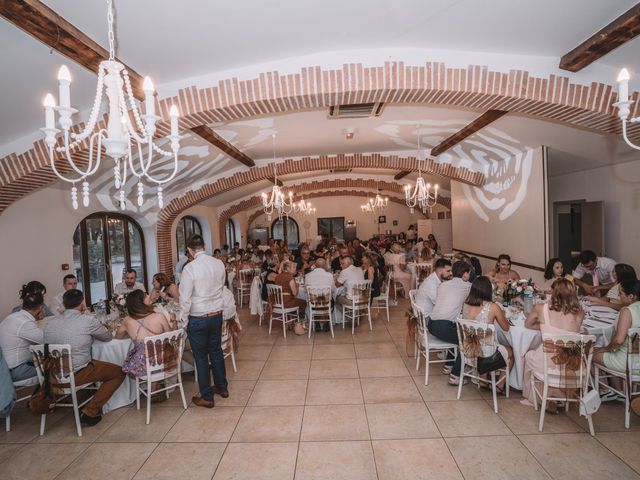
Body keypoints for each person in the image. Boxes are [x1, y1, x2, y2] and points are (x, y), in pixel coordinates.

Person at [44, 289, 125, 426]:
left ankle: (82, 396)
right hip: (75, 374)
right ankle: (90, 411)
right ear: (82, 303)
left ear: (64, 303)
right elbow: (106, 337)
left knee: (86, 362)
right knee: (119, 372)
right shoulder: (87, 320)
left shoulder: (51, 323)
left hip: (51, 375)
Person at [179, 234, 228, 408]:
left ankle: (207, 396)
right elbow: (221, 286)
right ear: (204, 246)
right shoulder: (218, 263)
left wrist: (182, 323)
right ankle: (222, 387)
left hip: (198, 317)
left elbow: (185, 299)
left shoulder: (189, 269)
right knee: (216, 351)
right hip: (216, 314)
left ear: (190, 250)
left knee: (200, 357)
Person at [521, 278, 584, 412]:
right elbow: (574, 331)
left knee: (529, 356)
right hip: (571, 363)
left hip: (548, 362)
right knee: (544, 361)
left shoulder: (541, 308)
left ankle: (538, 398)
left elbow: (528, 324)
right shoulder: (579, 311)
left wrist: (545, 326)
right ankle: (557, 395)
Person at [115, 290, 172, 397]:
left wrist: (132, 334)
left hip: (141, 365)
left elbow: (118, 336)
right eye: (146, 296)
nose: (149, 297)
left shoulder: (127, 320)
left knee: (144, 355)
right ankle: (155, 386)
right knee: (163, 350)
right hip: (164, 361)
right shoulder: (159, 316)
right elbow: (170, 337)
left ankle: (153, 386)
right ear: (140, 302)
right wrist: (174, 322)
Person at [462, 276, 514, 393]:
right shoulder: (493, 307)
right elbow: (506, 328)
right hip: (485, 355)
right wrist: (502, 315)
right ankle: (499, 385)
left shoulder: (465, 304)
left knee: (483, 343)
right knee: (511, 352)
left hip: (468, 350)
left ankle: (483, 381)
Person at [592, 280, 640, 398]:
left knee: (588, 352)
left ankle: (606, 390)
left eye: (621, 293)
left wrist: (605, 348)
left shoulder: (627, 311)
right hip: (636, 359)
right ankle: (618, 391)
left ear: (631, 297)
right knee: (613, 351)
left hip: (629, 363)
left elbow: (618, 341)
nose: (618, 296)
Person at [427, 261, 472, 385]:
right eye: (469, 273)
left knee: (457, 331)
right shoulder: (467, 286)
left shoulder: (444, 284)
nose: (469, 275)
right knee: (467, 341)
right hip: (443, 327)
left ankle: (449, 365)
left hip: (431, 324)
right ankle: (455, 376)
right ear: (464, 274)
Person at [0, 289, 44, 381]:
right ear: (40, 308)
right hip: (16, 370)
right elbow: (47, 340)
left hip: (4, 368)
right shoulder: (25, 323)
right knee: (53, 369)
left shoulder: (12, 317)